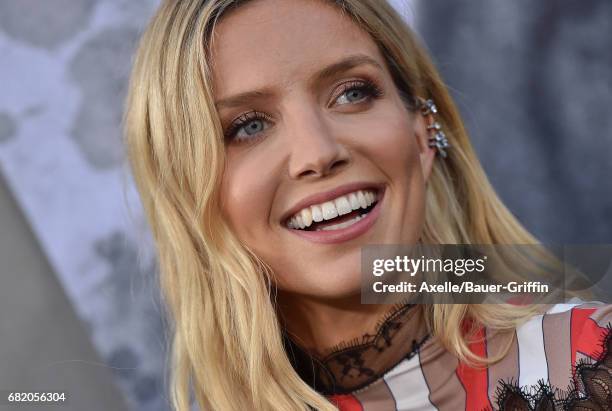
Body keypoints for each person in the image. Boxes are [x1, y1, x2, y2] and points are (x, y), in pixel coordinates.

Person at [123, 0, 612, 410]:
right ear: (190, 199)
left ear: (422, 134)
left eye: (352, 93)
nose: (317, 152)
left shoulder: (591, 364)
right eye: (248, 126)